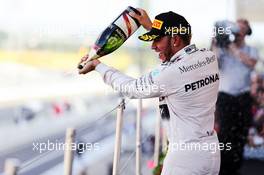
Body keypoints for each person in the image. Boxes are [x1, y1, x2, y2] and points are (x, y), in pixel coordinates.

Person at [79, 9, 220, 175]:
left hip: (185, 158)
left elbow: (132, 88)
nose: (153, 46)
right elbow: (175, 60)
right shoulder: (209, 57)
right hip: (211, 152)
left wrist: (98, 66)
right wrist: (152, 28)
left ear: (175, 39)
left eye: (157, 40)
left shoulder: (170, 74)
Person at [211, 19, 259, 175]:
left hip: (243, 97)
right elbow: (213, 64)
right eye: (234, 28)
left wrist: (233, 48)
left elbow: (251, 63)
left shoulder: (251, 50)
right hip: (225, 97)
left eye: (240, 28)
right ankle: (223, 168)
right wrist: (216, 43)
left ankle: (235, 168)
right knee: (225, 134)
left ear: (246, 32)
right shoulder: (223, 50)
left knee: (241, 134)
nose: (236, 31)